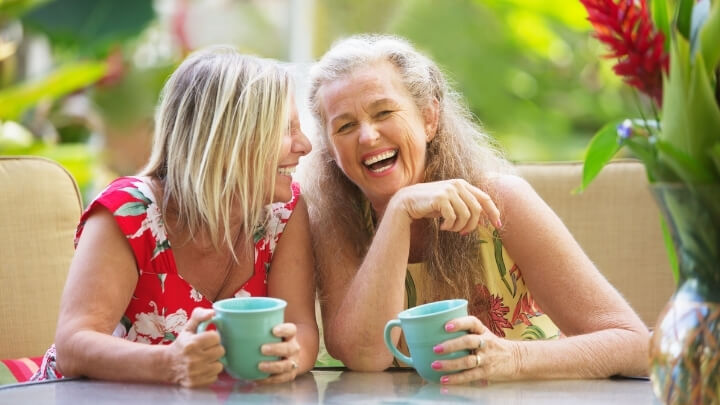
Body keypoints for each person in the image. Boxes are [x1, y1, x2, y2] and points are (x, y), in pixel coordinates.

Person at [304, 34, 649, 383]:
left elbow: (636, 345)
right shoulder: (336, 223)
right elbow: (366, 355)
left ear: (429, 119)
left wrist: (513, 358)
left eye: (384, 112)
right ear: (331, 150)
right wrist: (400, 211)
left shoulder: (501, 200)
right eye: (345, 126)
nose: (367, 137)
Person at [32, 46, 318, 387]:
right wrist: (168, 363)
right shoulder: (129, 213)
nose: (305, 146)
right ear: (226, 139)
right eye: (287, 129)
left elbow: (301, 328)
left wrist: (290, 356)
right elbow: (74, 346)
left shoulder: (283, 212)